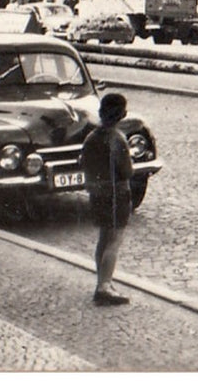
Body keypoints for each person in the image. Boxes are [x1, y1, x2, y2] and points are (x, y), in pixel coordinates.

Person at [81, 92, 135, 305]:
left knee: (103, 239)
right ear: (122, 114)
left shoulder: (91, 137)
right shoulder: (118, 138)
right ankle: (105, 286)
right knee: (114, 241)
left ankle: (101, 281)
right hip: (117, 194)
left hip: (97, 192)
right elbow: (127, 170)